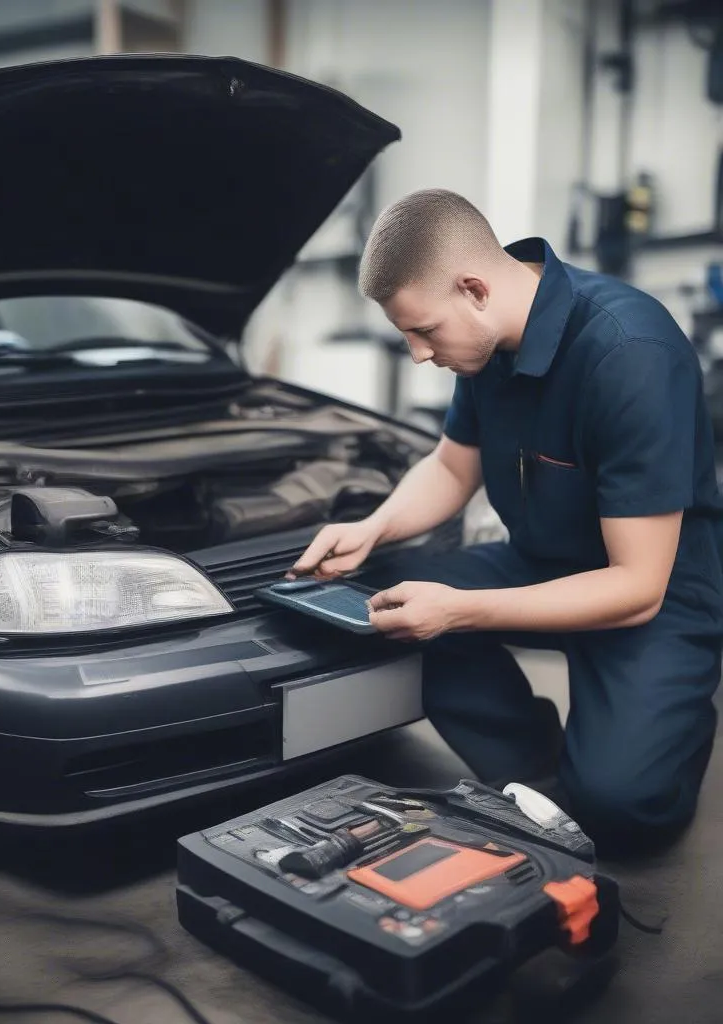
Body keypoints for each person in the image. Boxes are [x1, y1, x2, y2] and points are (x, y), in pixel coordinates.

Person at [288, 189, 723, 855]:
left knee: (623, 808)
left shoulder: (629, 353)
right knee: (383, 596)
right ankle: (531, 769)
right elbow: (452, 468)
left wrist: (460, 610)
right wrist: (373, 528)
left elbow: (637, 587)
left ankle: (653, 732)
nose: (418, 354)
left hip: (651, 592)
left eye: (424, 331)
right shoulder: (486, 347)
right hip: (541, 560)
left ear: (475, 290)